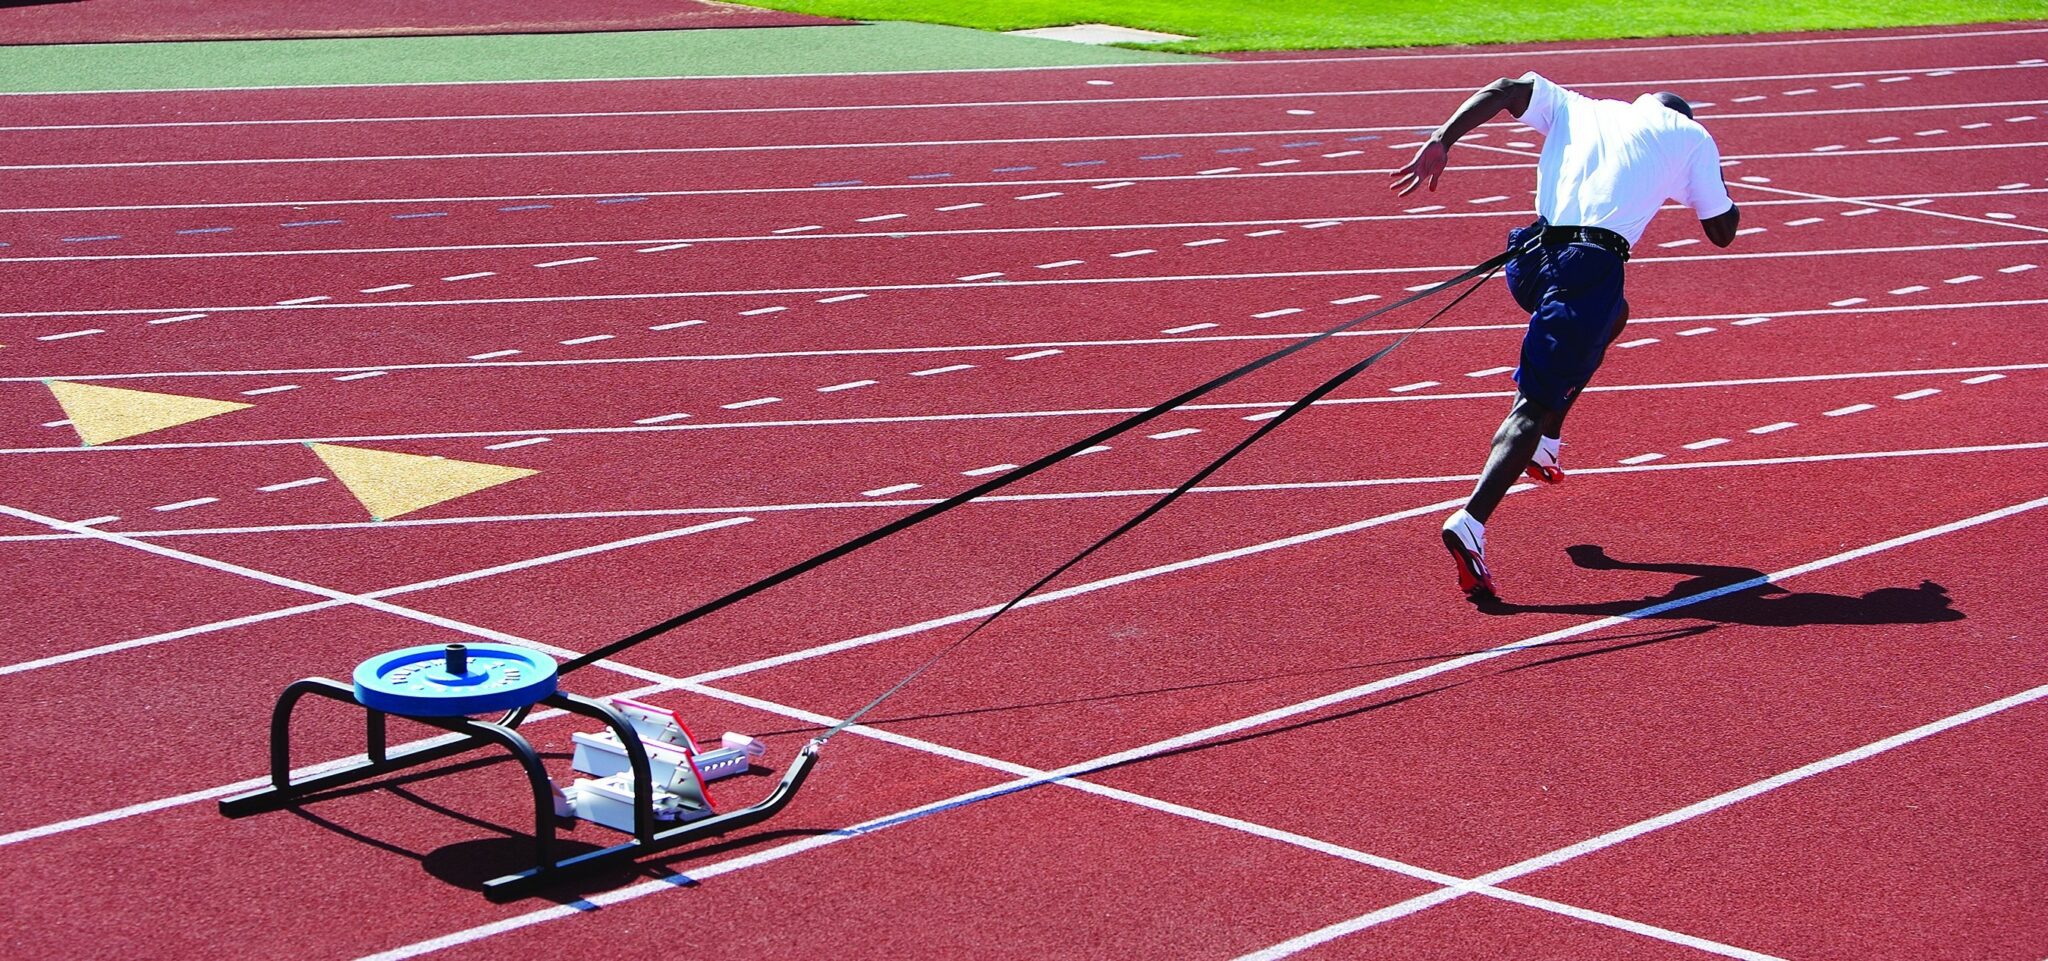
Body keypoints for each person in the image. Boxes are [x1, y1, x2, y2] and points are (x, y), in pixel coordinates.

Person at [1390, 73, 1742, 600]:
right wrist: (1721, 192)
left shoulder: (1584, 107)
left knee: (1613, 315)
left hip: (1531, 259)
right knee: (1533, 402)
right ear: (1681, 116)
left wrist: (1443, 139)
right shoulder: (1690, 137)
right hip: (1589, 266)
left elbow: (1506, 87)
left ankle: (1546, 445)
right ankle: (1471, 521)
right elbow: (1722, 232)